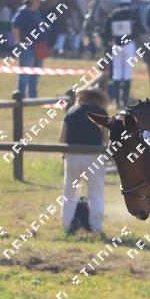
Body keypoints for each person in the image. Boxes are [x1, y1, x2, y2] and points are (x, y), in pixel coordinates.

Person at [60, 89, 110, 234]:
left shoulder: (71, 112)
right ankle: (96, 228)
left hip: (72, 156)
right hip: (94, 156)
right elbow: (106, 139)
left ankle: (67, 226)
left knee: (70, 194)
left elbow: (62, 138)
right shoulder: (101, 112)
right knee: (95, 195)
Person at [104, 0, 139, 108]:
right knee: (127, 74)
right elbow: (137, 30)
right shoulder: (133, 13)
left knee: (117, 74)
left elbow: (107, 30)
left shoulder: (113, 14)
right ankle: (124, 101)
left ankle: (117, 101)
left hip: (116, 46)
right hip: (129, 45)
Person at [11, 0, 46, 98]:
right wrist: (19, 42)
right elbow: (15, 26)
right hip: (28, 48)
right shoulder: (23, 12)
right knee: (25, 75)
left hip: (38, 47)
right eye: (37, 0)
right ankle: (20, 97)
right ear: (31, 1)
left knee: (35, 75)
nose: (39, 3)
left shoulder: (36, 12)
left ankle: (33, 97)